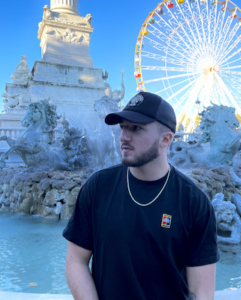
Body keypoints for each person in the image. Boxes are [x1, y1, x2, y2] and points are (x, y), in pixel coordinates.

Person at [63, 92, 219, 300]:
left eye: (136, 128)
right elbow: (76, 261)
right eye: (123, 127)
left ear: (165, 139)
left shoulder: (194, 202)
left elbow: (201, 291)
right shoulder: (97, 187)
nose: (123, 137)